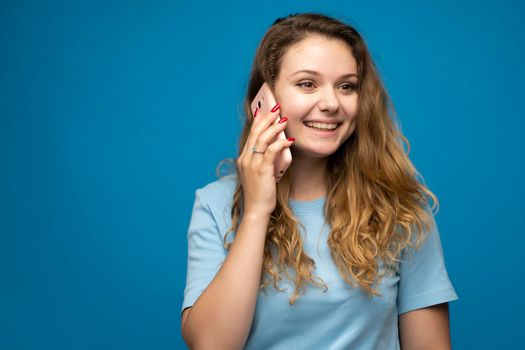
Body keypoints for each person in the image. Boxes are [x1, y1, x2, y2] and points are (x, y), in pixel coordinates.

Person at [181, 12, 458, 350]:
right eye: (307, 84)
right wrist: (256, 210)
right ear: (264, 100)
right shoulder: (215, 204)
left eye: (347, 86)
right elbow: (211, 345)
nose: (330, 104)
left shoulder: (399, 209)